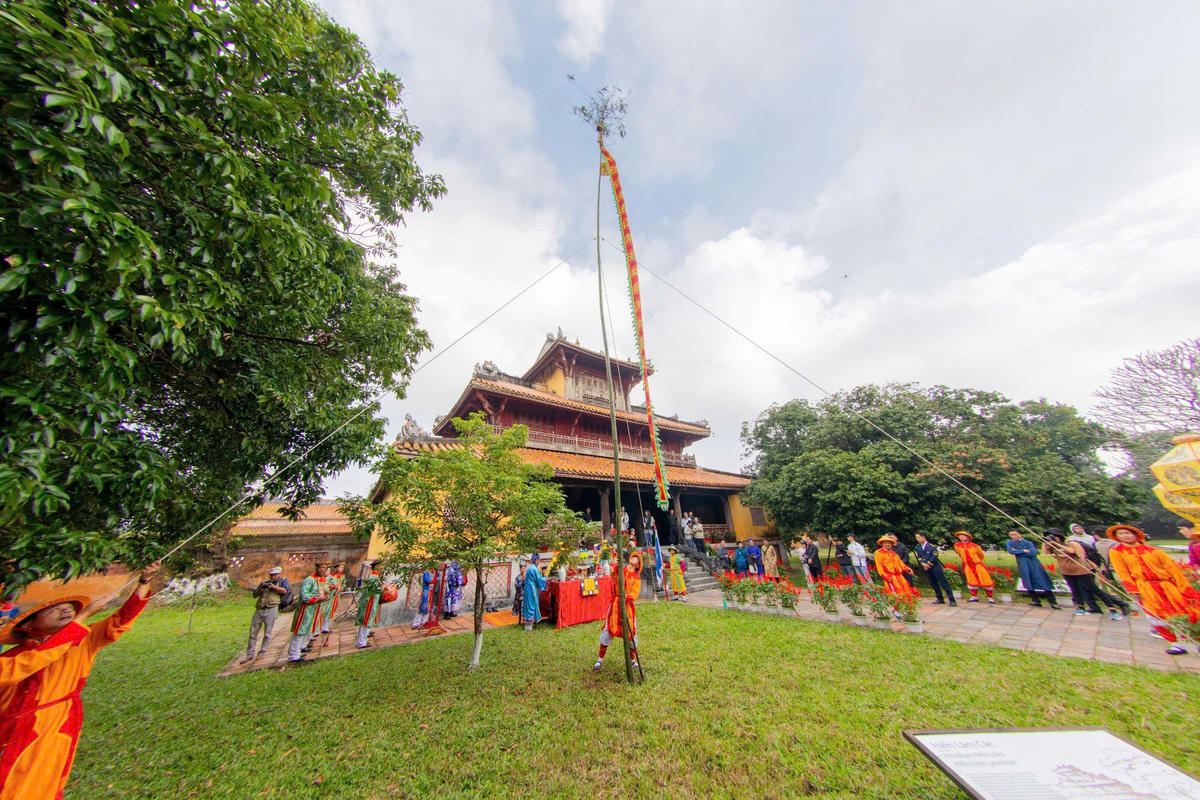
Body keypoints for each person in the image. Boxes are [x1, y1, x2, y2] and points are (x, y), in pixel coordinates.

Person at [0, 561, 162, 800]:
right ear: (28, 624)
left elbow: (120, 622)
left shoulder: (83, 640)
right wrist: (82, 618)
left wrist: (144, 582)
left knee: (46, 780)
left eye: (69, 608)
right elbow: (35, 660)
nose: (65, 611)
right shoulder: (11, 658)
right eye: (54, 609)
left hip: (59, 721)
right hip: (13, 729)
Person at [1108, 523, 1200, 655]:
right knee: (1156, 616)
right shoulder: (1116, 552)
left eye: (1127, 533)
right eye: (1121, 534)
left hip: (1167, 586)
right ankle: (1176, 644)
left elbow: (1172, 569)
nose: (1125, 536)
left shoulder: (1153, 550)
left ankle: (1197, 641)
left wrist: (1185, 587)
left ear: (1136, 535)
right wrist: (1132, 588)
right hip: (1145, 588)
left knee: (1186, 611)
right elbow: (1122, 571)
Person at [593, 551, 644, 671]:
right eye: (634, 557)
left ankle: (632, 660)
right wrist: (616, 566)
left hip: (627, 608)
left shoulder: (636, 578)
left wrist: (628, 596)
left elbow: (635, 593)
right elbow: (613, 575)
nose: (634, 558)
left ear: (638, 564)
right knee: (608, 630)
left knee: (631, 633)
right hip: (615, 605)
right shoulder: (623, 569)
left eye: (637, 558)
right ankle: (599, 660)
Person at [244, 566, 289, 662]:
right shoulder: (266, 583)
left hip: (271, 607)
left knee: (267, 633)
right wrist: (260, 586)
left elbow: (285, 590)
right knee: (253, 632)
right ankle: (250, 653)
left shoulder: (283, 581)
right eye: (272, 575)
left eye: (275, 575)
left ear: (279, 574)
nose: (273, 576)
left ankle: (262, 652)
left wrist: (274, 587)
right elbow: (254, 595)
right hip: (260, 607)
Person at [1006, 530, 1059, 609]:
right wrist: (1024, 551)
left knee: (1041, 579)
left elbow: (1033, 553)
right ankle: (1035, 600)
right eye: (1011, 535)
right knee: (1027, 579)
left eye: (1015, 534)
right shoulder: (1009, 542)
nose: (1014, 536)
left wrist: (1017, 552)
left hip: (1033, 562)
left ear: (1020, 534)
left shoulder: (1028, 543)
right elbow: (1010, 551)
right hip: (1022, 563)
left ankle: (1052, 602)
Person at [287, 562, 329, 662]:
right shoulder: (309, 580)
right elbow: (304, 595)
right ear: (317, 568)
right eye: (322, 568)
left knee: (307, 630)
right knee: (300, 631)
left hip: (314, 609)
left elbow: (324, 591)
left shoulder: (321, 580)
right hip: (305, 609)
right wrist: (317, 599)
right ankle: (293, 655)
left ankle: (301, 647)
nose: (323, 570)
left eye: (325, 568)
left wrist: (325, 595)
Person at [915, 533, 956, 606]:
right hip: (926, 568)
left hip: (935, 567)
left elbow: (934, 556)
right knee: (933, 583)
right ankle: (939, 598)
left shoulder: (931, 546)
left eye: (918, 537)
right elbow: (919, 557)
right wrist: (923, 563)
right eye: (916, 538)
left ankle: (952, 599)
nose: (917, 539)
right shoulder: (918, 547)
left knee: (943, 583)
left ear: (923, 537)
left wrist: (928, 564)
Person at [953, 531, 995, 603]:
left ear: (968, 537)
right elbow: (959, 553)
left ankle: (990, 597)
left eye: (963, 536)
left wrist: (976, 561)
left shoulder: (975, 546)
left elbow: (981, 555)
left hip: (977, 565)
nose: (961, 537)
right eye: (960, 536)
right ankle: (974, 596)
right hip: (968, 566)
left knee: (985, 580)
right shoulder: (957, 545)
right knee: (971, 580)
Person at [354, 561, 383, 648]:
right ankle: (361, 642)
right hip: (369, 602)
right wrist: (382, 588)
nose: (381, 568)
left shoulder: (375, 576)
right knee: (365, 621)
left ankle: (363, 639)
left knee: (367, 621)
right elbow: (374, 589)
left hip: (372, 601)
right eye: (380, 566)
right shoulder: (373, 577)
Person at [520, 554, 547, 631]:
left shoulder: (530, 567)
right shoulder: (534, 569)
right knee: (531, 604)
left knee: (528, 604)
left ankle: (529, 623)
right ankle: (529, 625)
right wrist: (545, 579)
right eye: (539, 560)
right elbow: (539, 579)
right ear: (536, 560)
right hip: (532, 588)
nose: (539, 561)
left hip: (528, 588)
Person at [320, 562, 345, 634]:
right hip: (329, 596)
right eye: (340, 567)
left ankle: (325, 626)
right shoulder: (329, 577)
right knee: (324, 611)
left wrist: (341, 588)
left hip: (336, 596)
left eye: (342, 568)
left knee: (331, 611)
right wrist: (332, 587)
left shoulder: (342, 576)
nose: (341, 569)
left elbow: (343, 584)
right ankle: (321, 627)